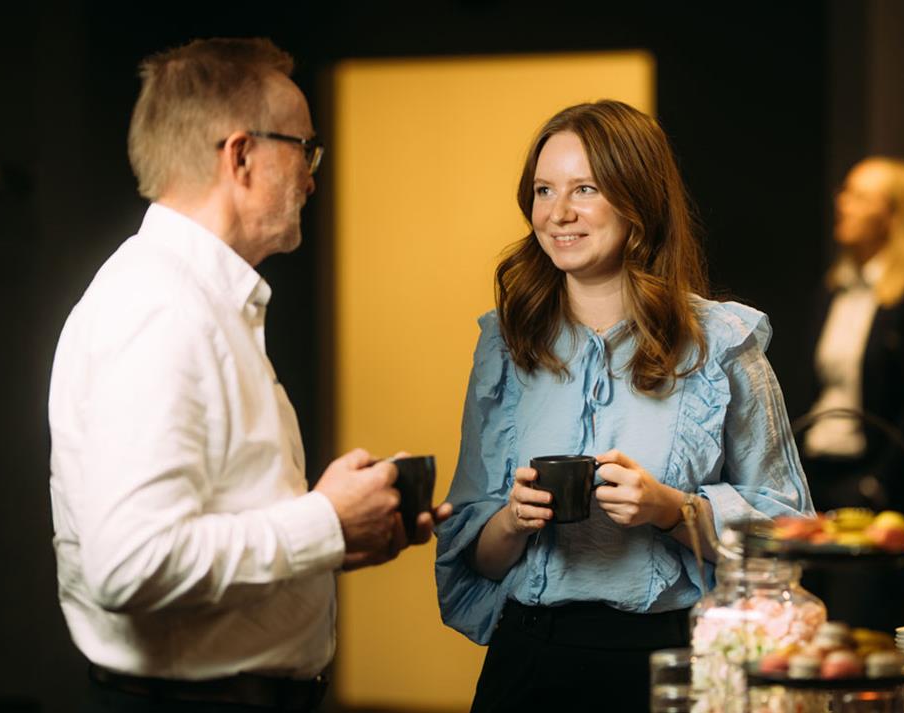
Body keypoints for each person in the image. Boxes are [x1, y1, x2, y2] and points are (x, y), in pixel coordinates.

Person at [48, 38, 449, 712]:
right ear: (241, 156)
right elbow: (132, 563)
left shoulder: (201, 302)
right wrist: (323, 519)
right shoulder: (160, 310)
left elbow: (207, 531)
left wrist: (340, 533)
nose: (313, 177)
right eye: (304, 149)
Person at [435, 100, 813, 711]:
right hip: (527, 664)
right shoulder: (505, 344)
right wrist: (510, 520)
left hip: (671, 667)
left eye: (585, 188)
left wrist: (672, 509)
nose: (558, 214)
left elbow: (789, 531)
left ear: (638, 202)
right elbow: (468, 549)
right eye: (543, 190)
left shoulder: (721, 344)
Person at [796, 156, 904, 630]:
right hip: (819, 472)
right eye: (845, 192)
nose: (842, 203)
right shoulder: (834, 289)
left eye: (860, 196)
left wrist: (877, 482)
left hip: (874, 485)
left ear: (894, 216)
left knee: (858, 622)